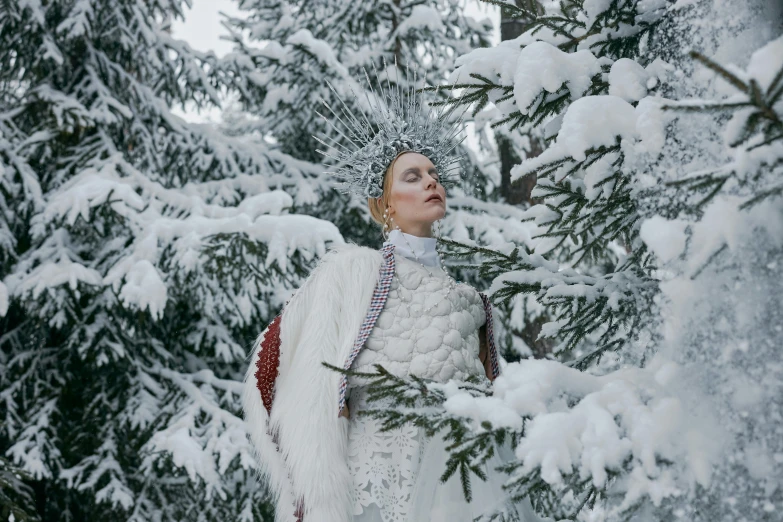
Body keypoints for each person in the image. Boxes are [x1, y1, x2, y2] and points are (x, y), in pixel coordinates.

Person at [242, 70, 538, 522]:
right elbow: (303, 366)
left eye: (434, 174)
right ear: (385, 204)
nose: (430, 182)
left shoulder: (471, 300)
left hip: (464, 475)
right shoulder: (355, 272)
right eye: (413, 177)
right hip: (381, 472)